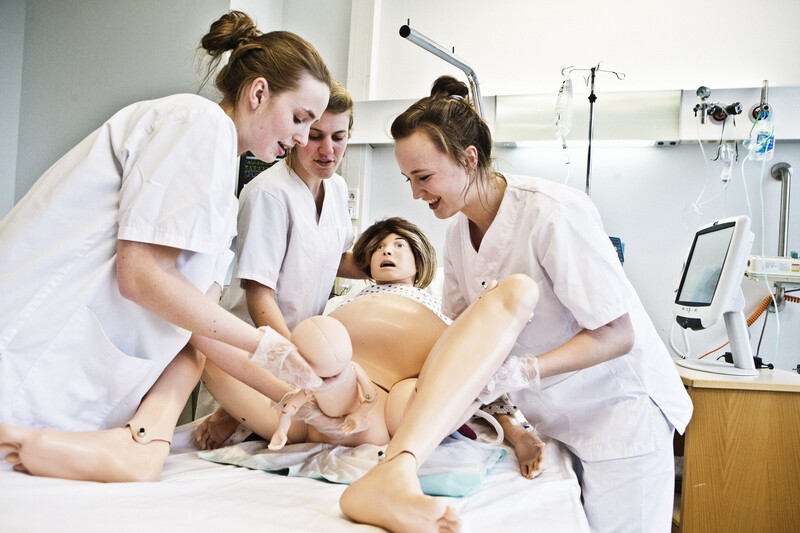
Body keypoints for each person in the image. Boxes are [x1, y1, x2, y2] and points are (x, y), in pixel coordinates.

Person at [0, 10, 337, 482]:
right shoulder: (197, 123)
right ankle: (143, 446)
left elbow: (202, 328)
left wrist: (302, 398)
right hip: (30, 359)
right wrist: (267, 346)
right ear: (258, 93)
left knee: (193, 346)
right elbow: (141, 276)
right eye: (301, 118)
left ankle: (143, 444)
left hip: (74, 389)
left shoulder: (223, 179)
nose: (303, 138)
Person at [359, 75, 695, 533]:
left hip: (619, 413)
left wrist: (524, 371)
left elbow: (618, 334)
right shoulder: (458, 233)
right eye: (408, 179)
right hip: (553, 420)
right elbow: (464, 345)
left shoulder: (553, 213)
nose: (415, 194)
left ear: (468, 158)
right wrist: (512, 422)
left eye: (424, 177)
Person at [197, 80, 363, 449]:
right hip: (250, 363)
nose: (327, 150)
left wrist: (399, 266)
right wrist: (295, 365)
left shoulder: (335, 189)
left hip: (302, 363)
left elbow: (332, 258)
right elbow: (260, 298)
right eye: (316, 135)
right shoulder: (269, 194)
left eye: (339, 137)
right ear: (299, 132)